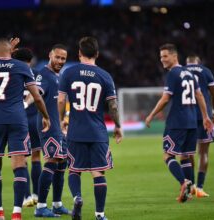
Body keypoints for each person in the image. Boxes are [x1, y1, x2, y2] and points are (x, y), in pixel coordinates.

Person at [0, 38, 50, 220]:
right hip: (18, 120)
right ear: (11, 51)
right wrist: (46, 117)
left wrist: (1, 52)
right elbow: (37, 97)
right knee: (19, 164)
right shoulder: (22, 67)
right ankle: (17, 213)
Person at [58, 36, 123, 220]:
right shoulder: (105, 76)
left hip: (75, 131)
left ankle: (78, 197)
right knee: (98, 172)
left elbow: (62, 100)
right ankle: (100, 215)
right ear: (97, 54)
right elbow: (113, 107)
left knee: (74, 170)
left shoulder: (68, 73)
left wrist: (61, 119)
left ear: (79, 54)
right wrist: (118, 126)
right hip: (97, 132)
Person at [145, 43, 213, 203]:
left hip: (177, 121)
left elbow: (165, 98)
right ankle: (189, 193)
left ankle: (184, 183)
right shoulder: (189, 73)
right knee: (186, 156)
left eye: (165, 56)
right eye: (161, 57)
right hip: (192, 121)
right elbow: (200, 95)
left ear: (174, 56)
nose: (162, 59)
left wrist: (151, 114)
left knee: (167, 155)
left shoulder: (173, 74)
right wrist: (205, 116)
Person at [28, 44, 70, 217]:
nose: (60, 61)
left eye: (63, 58)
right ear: (50, 55)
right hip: (48, 126)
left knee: (61, 163)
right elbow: (36, 94)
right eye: (57, 57)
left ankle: (57, 204)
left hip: (58, 126)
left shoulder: (57, 76)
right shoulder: (44, 75)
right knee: (51, 162)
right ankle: (41, 207)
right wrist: (45, 116)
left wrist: (64, 119)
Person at [185, 55, 214, 197]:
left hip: (187, 116)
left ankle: (191, 186)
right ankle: (199, 187)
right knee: (203, 152)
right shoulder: (206, 71)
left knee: (188, 153)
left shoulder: (181, 71)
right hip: (204, 116)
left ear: (187, 62)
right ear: (198, 62)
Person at [12, 48, 42, 207]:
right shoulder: (38, 73)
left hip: (18, 120)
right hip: (35, 119)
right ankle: (37, 195)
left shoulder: (12, 73)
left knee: (21, 159)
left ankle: (26, 196)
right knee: (36, 157)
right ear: (31, 60)